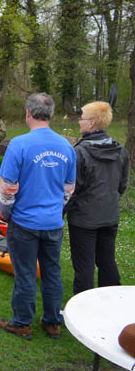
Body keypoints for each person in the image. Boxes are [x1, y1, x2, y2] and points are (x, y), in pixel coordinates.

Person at [0, 92, 76, 340]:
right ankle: (52, 322)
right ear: (51, 115)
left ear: (28, 113)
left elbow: (7, 187)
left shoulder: (19, 144)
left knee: (26, 273)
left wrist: (7, 214)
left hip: (24, 222)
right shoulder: (67, 146)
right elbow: (68, 189)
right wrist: (55, 211)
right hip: (53, 222)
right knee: (52, 272)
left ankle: (21, 322)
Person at [65, 101, 129, 294]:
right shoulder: (121, 151)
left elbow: (72, 189)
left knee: (84, 265)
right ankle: (111, 302)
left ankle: (84, 310)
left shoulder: (80, 153)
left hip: (84, 219)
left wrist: (62, 212)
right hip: (109, 216)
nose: (79, 122)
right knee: (107, 260)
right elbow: (122, 185)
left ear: (91, 123)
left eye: (82, 118)